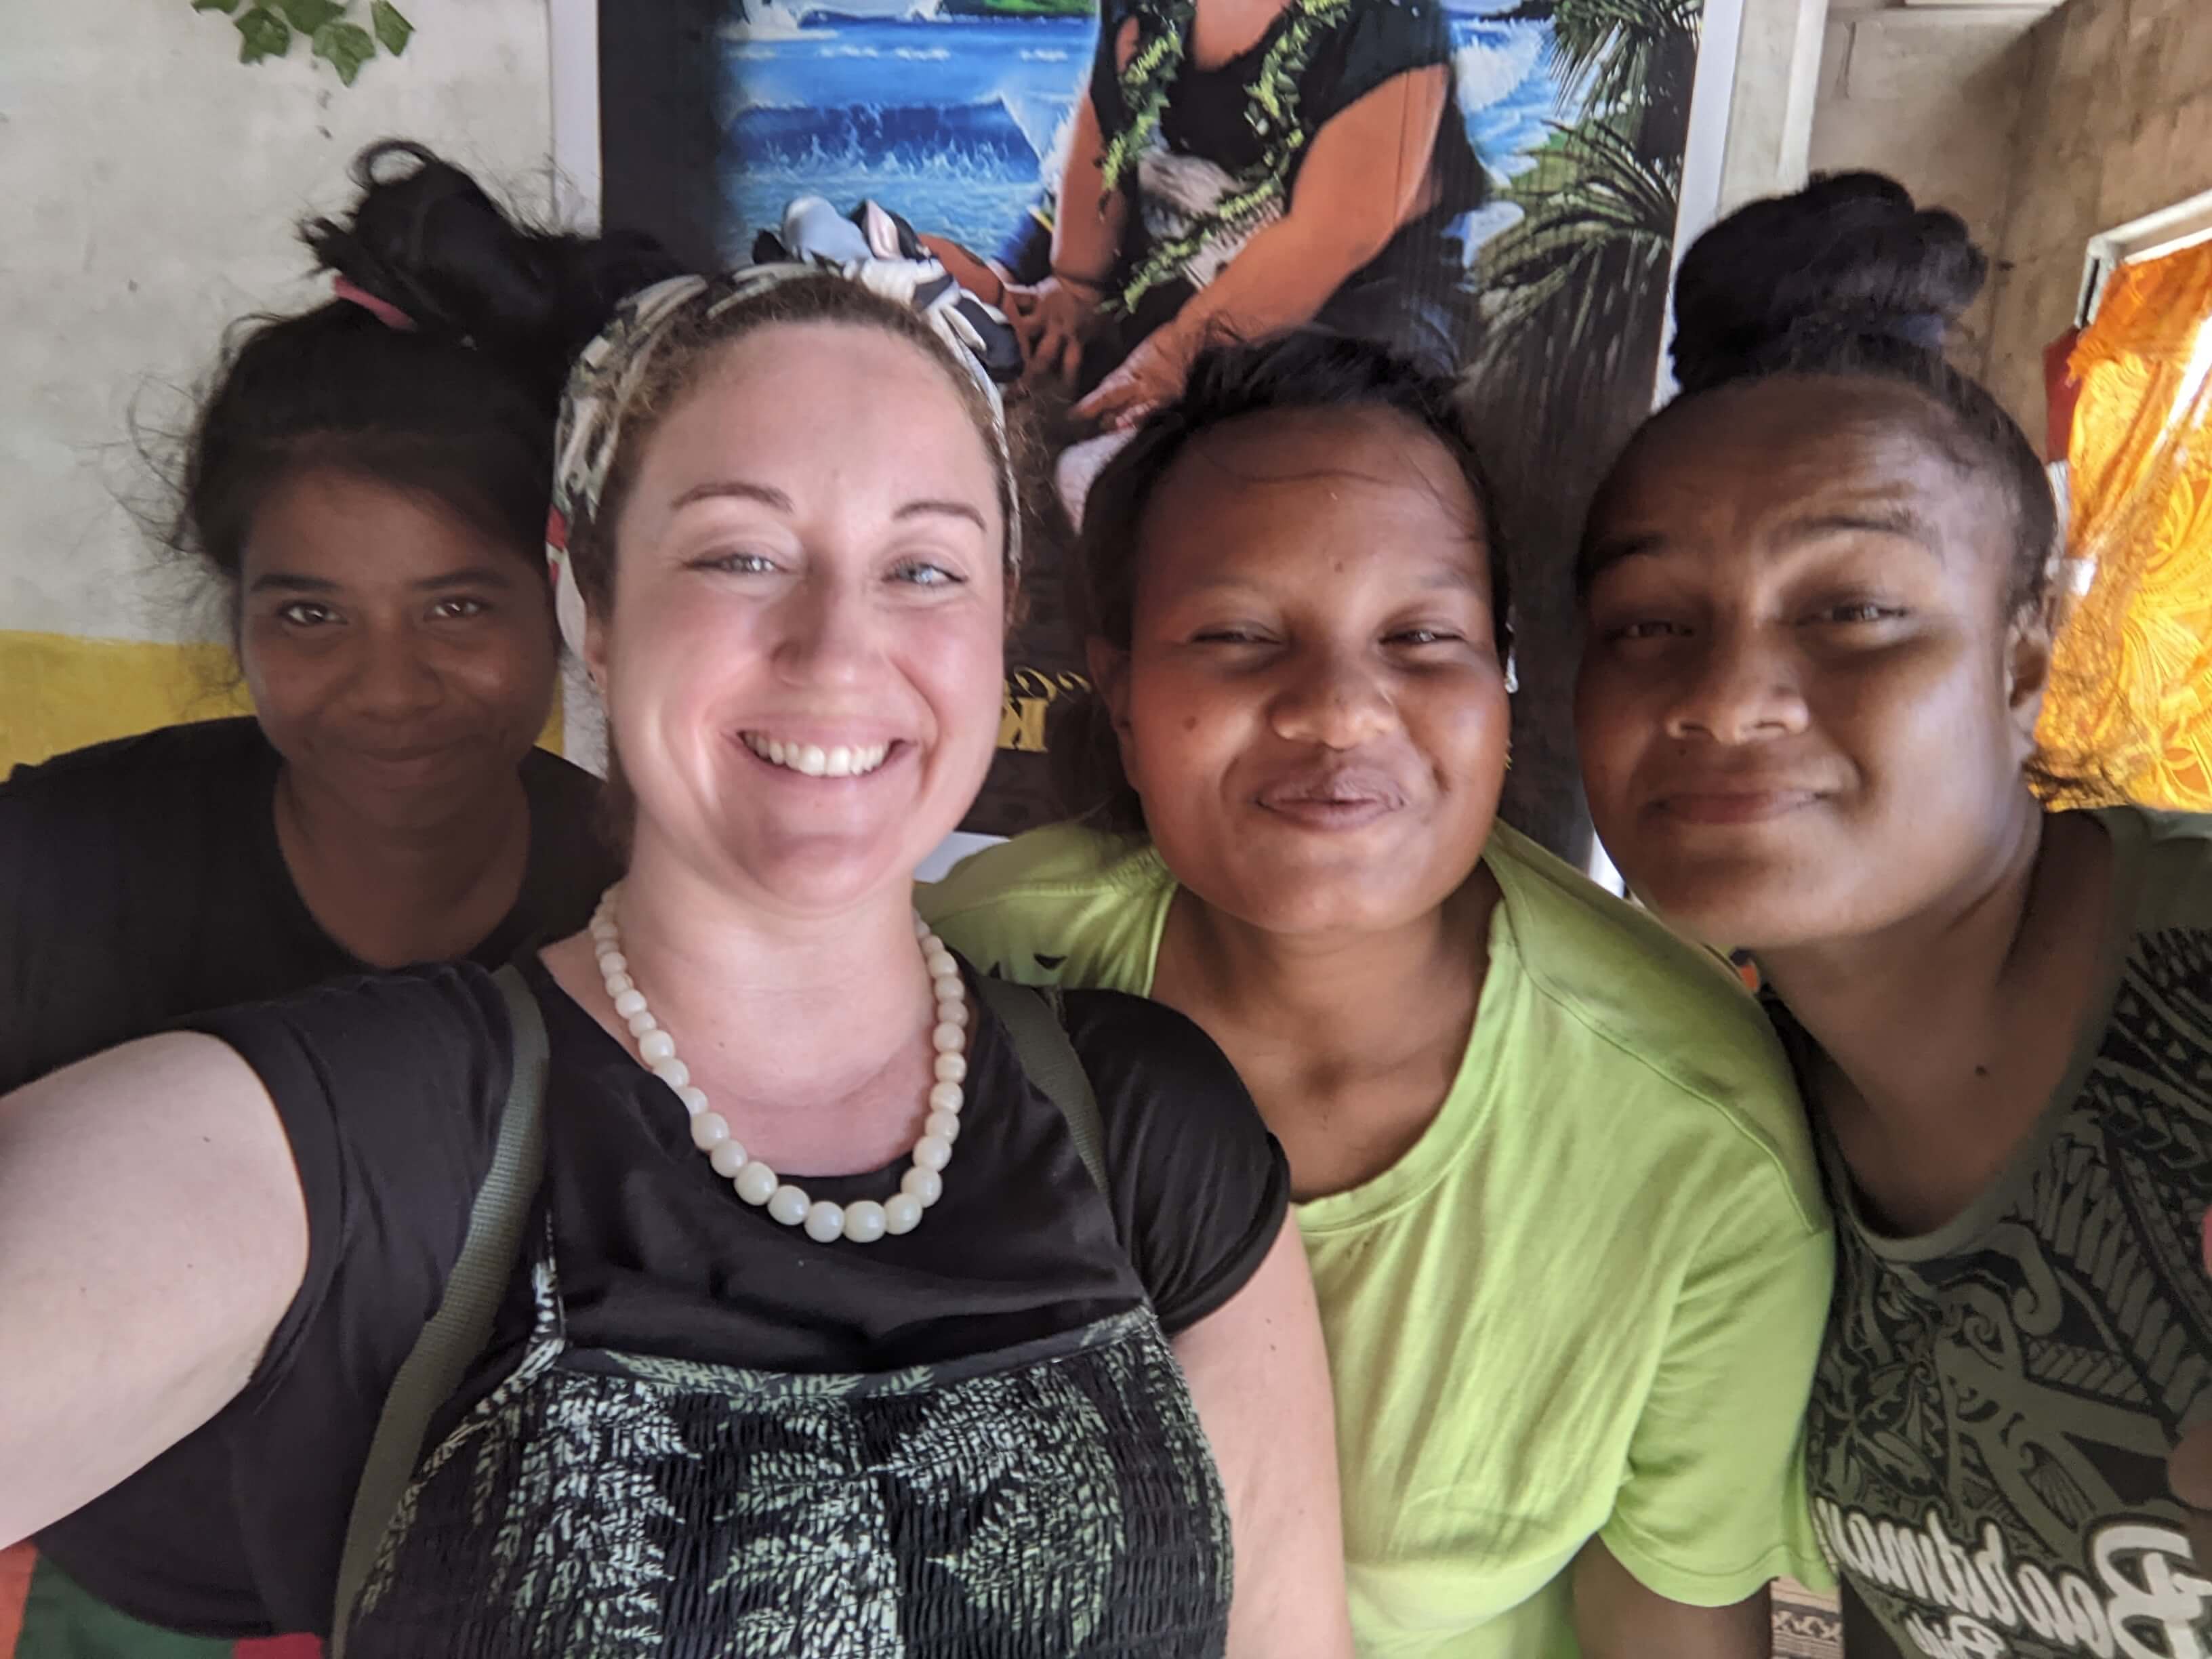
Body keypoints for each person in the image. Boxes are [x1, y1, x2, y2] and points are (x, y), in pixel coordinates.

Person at [0, 261, 1351, 1658]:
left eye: (924, 567)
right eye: (738, 554)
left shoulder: (1147, 1126)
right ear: (590, 604)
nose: (838, 644)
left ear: (1000, 617)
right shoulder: (388, 1142)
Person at [921, 329, 1833, 1656]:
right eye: (1237, 635)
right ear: (1119, 694)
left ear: (1503, 677)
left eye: (1422, 635)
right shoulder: (958, 984)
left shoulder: (1696, 1141)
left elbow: (1672, 1624)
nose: (1340, 712)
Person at [0, 141, 667, 1652]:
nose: (387, 689)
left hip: (491, 1604)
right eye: (308, 612)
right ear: (234, 613)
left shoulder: (636, 906)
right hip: (123, 1593)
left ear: (562, 610)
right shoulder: (57, 866)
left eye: (458, 607)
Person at [1572, 172, 2212, 1659]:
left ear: (2019, 656)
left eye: (1852, 609)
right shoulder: (1700, 1112)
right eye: (1651, 626)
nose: (1725, 700)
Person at [996, 0, 1487, 431]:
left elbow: (1335, 235)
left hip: (1357, 301)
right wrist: (1077, 281)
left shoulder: (1388, 26)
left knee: (1320, 418)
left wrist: (1176, 354)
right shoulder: (1147, 14)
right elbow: (1105, 133)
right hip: (1200, 264)